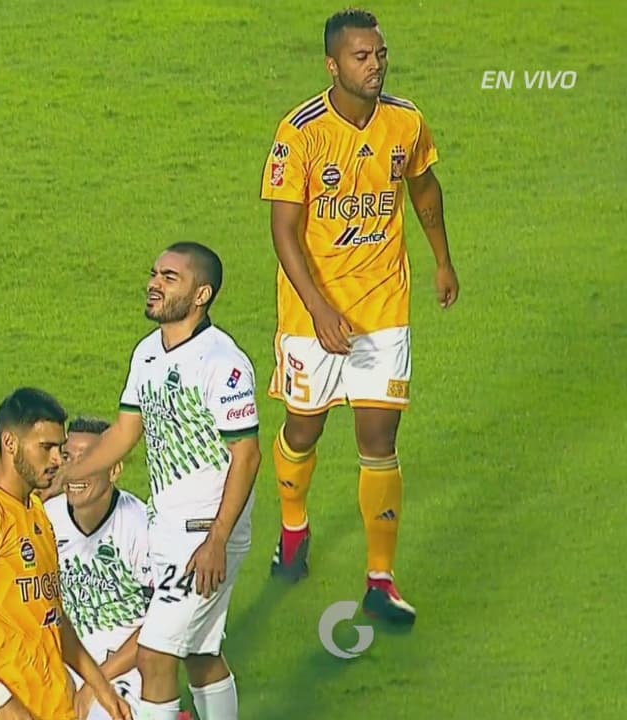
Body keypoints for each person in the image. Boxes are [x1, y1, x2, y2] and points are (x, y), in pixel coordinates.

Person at [257, 7, 459, 625]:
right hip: (311, 314)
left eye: (380, 54)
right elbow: (284, 230)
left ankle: (380, 579)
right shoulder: (300, 132)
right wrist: (319, 309)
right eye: (361, 57)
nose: (375, 66)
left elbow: (424, 188)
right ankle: (295, 527)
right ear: (332, 64)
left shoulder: (405, 121)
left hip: (383, 306)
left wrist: (442, 261)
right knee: (304, 430)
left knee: (379, 440)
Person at [56, 242, 262, 720]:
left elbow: (247, 456)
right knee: (201, 654)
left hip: (206, 532)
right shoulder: (147, 353)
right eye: (155, 274)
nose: (154, 284)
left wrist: (218, 539)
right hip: (167, 528)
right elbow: (123, 433)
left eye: (170, 278)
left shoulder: (223, 363)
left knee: (155, 654)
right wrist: (63, 475)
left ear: (201, 295)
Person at [0, 389, 132, 720]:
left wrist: (101, 686)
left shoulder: (37, 511)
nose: (57, 460)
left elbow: (51, 616)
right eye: (46, 447)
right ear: (10, 443)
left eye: (60, 448)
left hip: (56, 706)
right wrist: (2, 702)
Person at [43, 417, 154, 720]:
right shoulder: (45, 521)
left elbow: (161, 623)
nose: (75, 471)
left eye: (88, 459)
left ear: (114, 469)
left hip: (121, 672)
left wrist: (98, 682)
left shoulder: (140, 526)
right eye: (68, 458)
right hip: (61, 665)